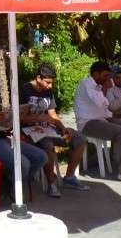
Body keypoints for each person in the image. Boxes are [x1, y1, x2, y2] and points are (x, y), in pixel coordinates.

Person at [19, 62, 89, 196]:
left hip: (49, 129)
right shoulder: (24, 90)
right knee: (47, 143)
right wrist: (39, 118)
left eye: (51, 83)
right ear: (38, 78)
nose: (50, 86)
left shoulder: (48, 91)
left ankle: (69, 177)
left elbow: (52, 114)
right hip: (29, 132)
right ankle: (51, 182)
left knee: (79, 138)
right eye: (48, 82)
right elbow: (19, 118)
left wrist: (63, 128)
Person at [73, 61, 121, 182]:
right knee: (119, 131)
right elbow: (100, 103)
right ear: (96, 74)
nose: (107, 78)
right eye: (105, 75)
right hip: (88, 124)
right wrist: (105, 89)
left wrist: (114, 117)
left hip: (101, 119)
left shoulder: (98, 87)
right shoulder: (86, 84)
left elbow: (106, 108)